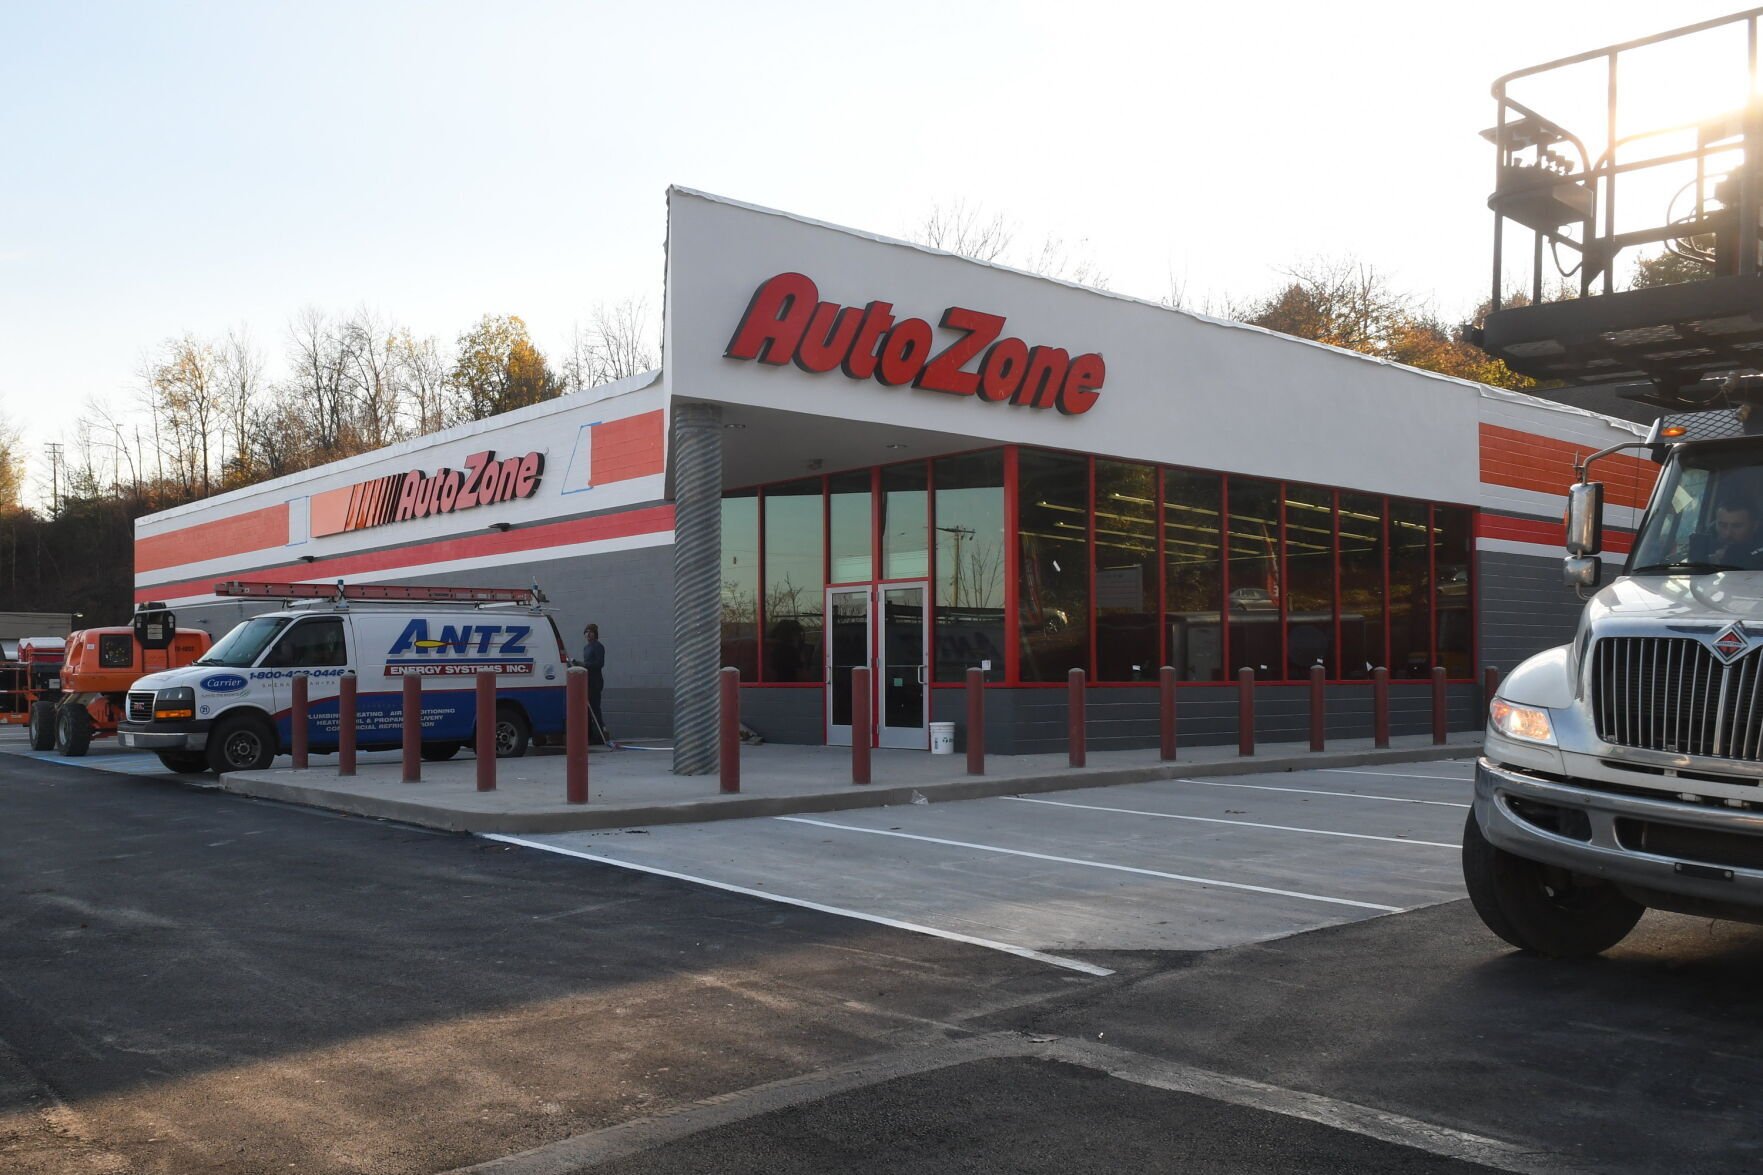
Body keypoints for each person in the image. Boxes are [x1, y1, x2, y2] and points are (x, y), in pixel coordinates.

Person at [1711, 499, 1763, 567]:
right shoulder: (1705, 543)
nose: (1728, 533)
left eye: (1737, 526)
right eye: (1722, 525)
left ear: (1755, 526)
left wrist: (1731, 557)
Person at [580, 623, 607, 744]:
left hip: (595, 681)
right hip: (587, 680)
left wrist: (585, 665)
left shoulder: (598, 646)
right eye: (586, 632)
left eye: (590, 632)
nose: (588, 634)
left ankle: (599, 735)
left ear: (595, 634)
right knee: (587, 709)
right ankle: (589, 734)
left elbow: (600, 664)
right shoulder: (586, 648)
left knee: (595, 708)